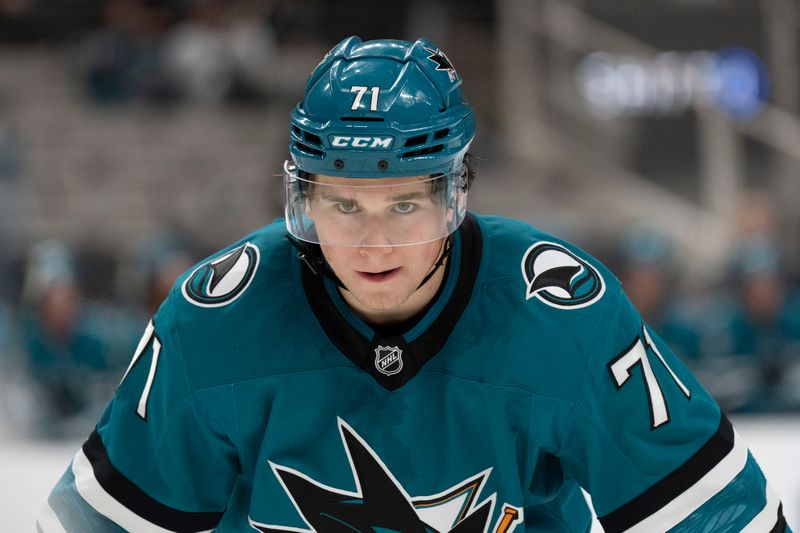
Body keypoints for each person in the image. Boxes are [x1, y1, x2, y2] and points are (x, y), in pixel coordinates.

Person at [39, 36, 791, 532]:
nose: (374, 242)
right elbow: (98, 522)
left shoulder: (559, 311)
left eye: (404, 202)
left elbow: (718, 514)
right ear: (304, 197)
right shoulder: (216, 320)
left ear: (454, 196)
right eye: (343, 204)